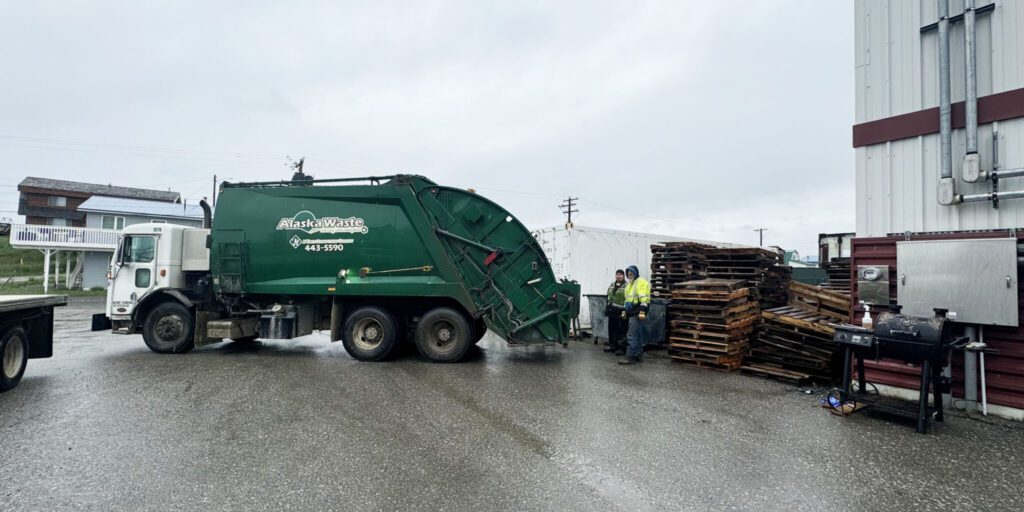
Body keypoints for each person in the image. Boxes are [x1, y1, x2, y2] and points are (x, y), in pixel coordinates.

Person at [618, 265, 650, 365]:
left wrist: (642, 308)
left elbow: (643, 298)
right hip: (632, 312)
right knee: (638, 334)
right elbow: (628, 299)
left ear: (635, 273)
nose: (629, 275)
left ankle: (630, 356)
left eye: (631, 273)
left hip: (638, 311)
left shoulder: (640, 282)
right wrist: (625, 311)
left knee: (631, 334)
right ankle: (638, 355)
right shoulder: (630, 284)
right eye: (628, 274)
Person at [603, 269, 628, 354]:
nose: (618, 276)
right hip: (612, 311)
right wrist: (607, 308)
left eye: (620, 274)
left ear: (623, 276)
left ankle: (622, 348)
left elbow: (628, 300)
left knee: (621, 330)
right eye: (617, 274)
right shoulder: (612, 285)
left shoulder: (626, 286)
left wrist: (625, 311)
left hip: (621, 311)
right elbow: (608, 297)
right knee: (612, 329)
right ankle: (612, 345)